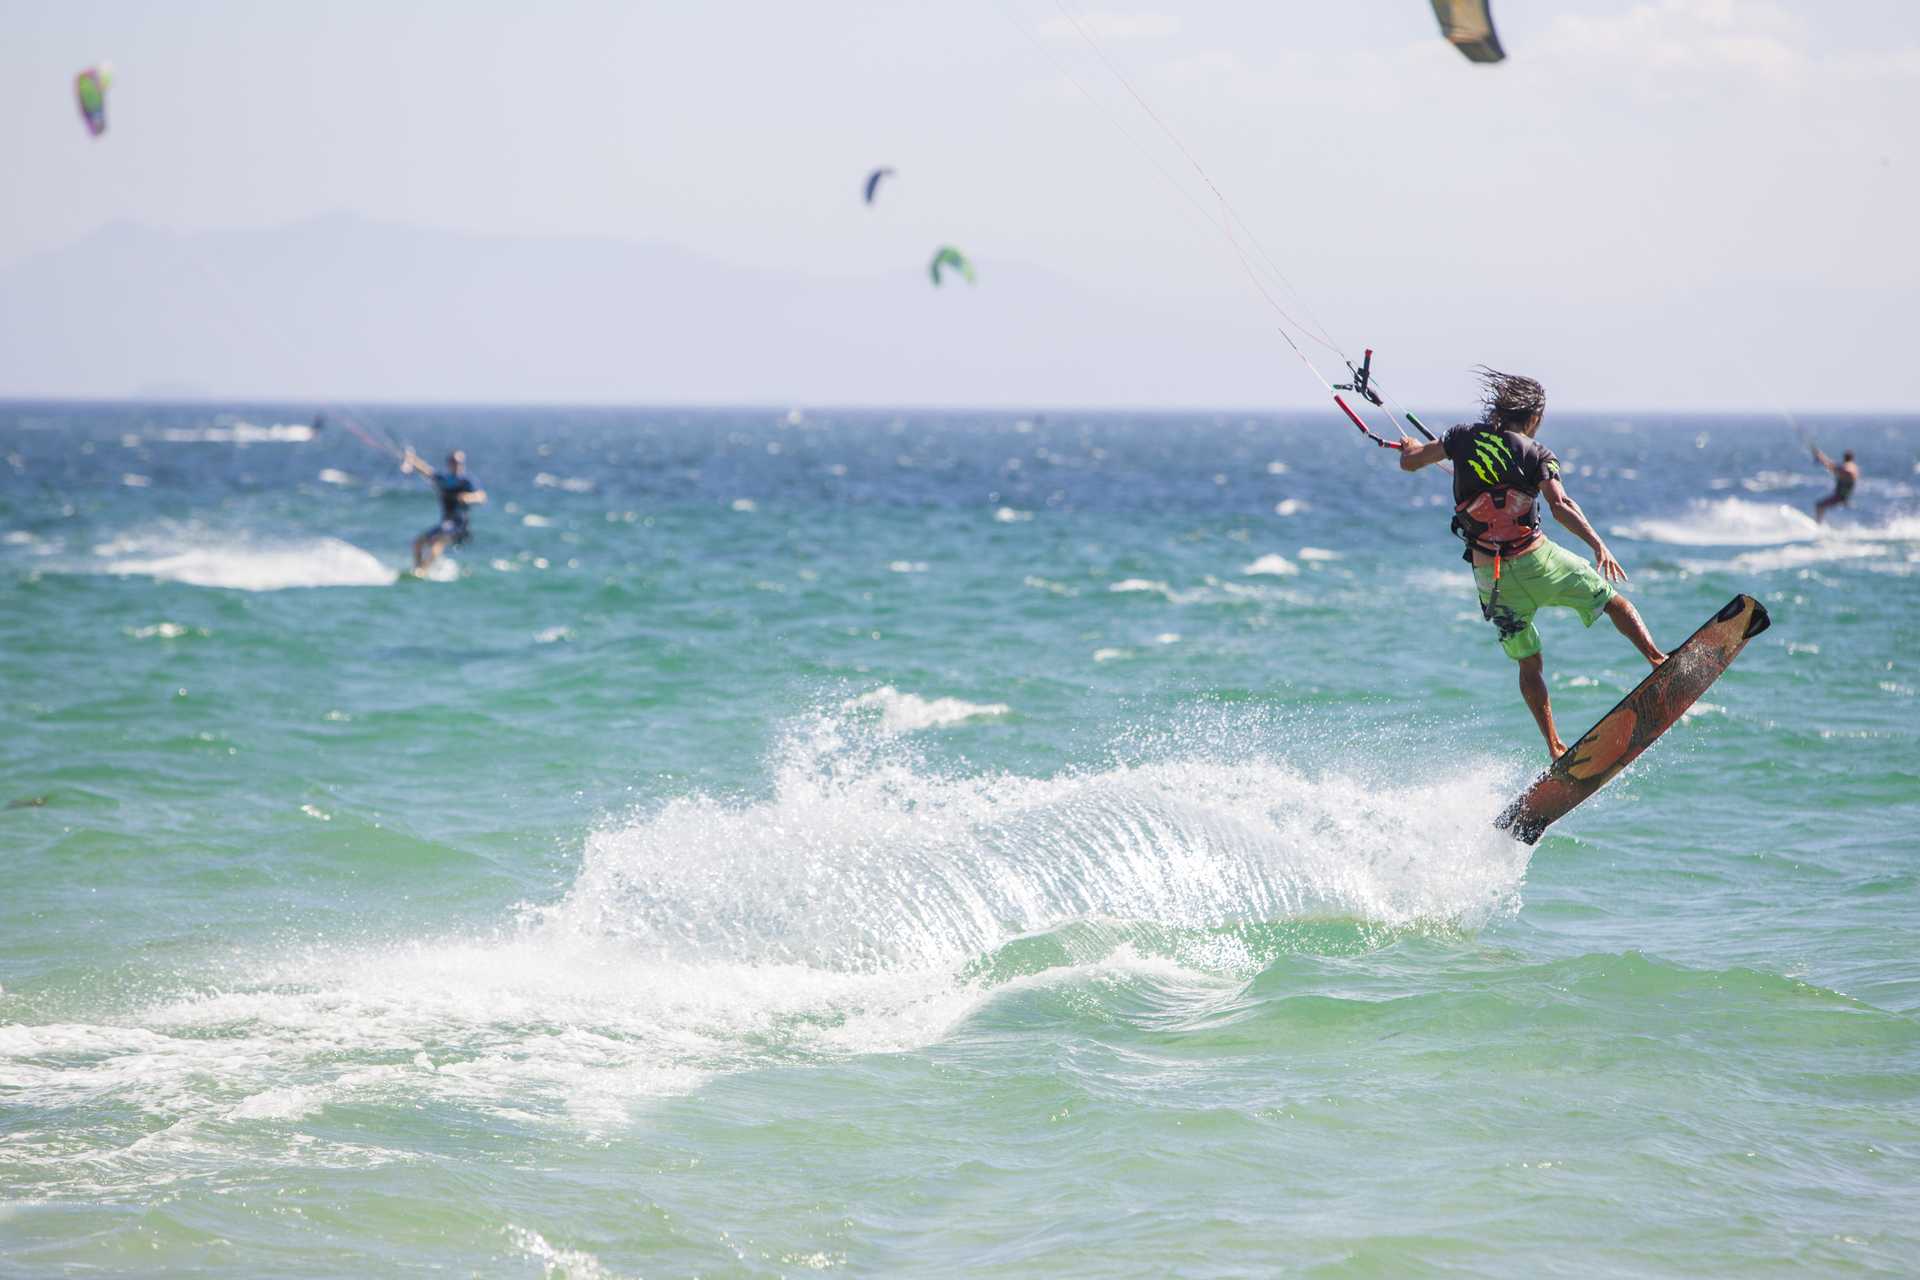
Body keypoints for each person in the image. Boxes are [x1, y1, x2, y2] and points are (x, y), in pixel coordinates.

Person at [1397, 369, 1666, 760]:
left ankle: (1556, 747)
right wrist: (1598, 544)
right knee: (1611, 601)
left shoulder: (1460, 437)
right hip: (1538, 562)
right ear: (1534, 417)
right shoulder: (1537, 454)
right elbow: (1560, 506)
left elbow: (1412, 463)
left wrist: (1408, 449)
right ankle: (1658, 660)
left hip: (1493, 579)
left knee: (1528, 663)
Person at [402, 447, 486, 572]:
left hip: (459, 525)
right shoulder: (444, 479)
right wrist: (412, 459)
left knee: (438, 542)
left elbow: (482, 497)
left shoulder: (466, 481)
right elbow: (426, 471)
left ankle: (423, 571)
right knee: (418, 543)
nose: (457, 465)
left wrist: (468, 497)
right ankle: (417, 568)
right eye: (454, 462)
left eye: (460, 463)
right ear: (449, 464)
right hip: (445, 523)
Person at [1811, 447, 1859, 523]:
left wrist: (1823, 459)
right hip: (1842, 496)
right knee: (1819, 506)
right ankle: (1818, 523)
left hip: (1841, 496)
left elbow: (1847, 471)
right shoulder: (1848, 467)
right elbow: (1832, 465)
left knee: (1819, 506)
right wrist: (1821, 457)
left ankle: (1817, 525)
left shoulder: (1850, 466)